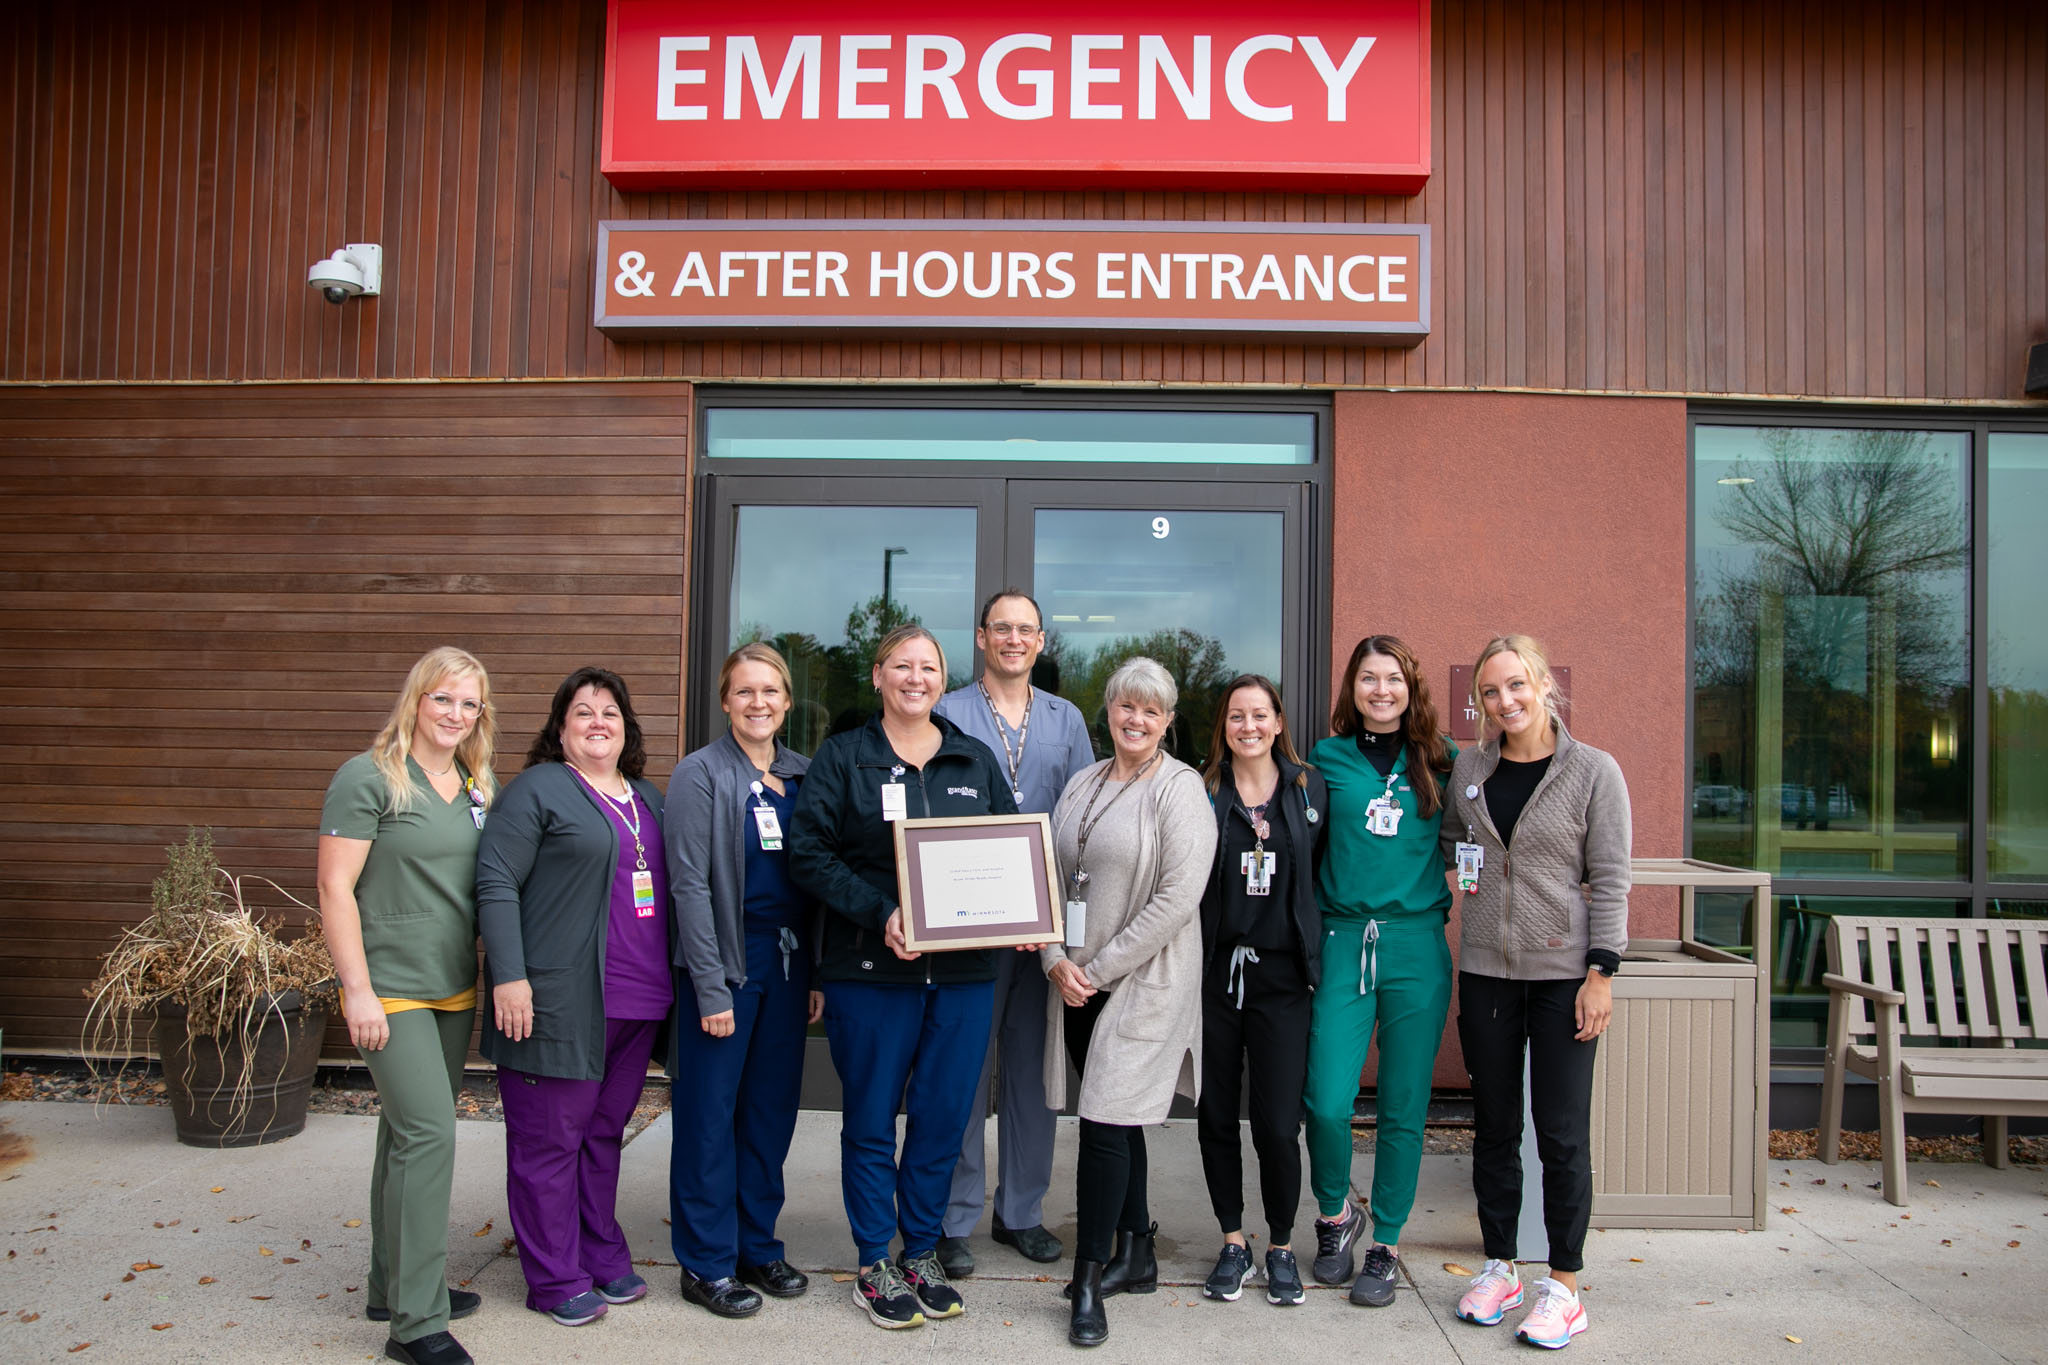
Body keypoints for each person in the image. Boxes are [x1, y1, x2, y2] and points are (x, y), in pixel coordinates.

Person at [787, 624, 1022, 1331]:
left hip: (963, 976)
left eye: (928, 667)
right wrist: (881, 908)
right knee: (869, 1119)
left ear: (940, 678)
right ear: (878, 674)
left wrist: (1017, 906)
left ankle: (919, 1248)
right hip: (870, 971)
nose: (915, 678)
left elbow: (1009, 850)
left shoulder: (971, 759)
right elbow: (809, 851)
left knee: (944, 1118)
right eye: (902, 666)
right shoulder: (845, 757)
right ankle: (871, 1259)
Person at [1442, 634, 1631, 1351]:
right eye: (1490, 691)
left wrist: (1601, 973)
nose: (1504, 701)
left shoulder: (1592, 772)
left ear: (1544, 684)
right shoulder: (1471, 767)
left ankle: (1565, 1283)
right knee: (1493, 1127)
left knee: (1559, 1132)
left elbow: (1611, 879)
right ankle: (1501, 1267)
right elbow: (1456, 840)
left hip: (1563, 979)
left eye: (1516, 685)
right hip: (1488, 970)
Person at [475, 667, 671, 1330]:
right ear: (560, 730)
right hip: (557, 1001)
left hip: (637, 1004)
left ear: (626, 727)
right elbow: (496, 879)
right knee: (548, 1141)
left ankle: (599, 1251)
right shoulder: (539, 789)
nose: (597, 721)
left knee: (602, 1136)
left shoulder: (646, 796)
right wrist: (508, 974)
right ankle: (554, 1276)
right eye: (582, 711)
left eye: (610, 711)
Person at [317, 647, 497, 1365]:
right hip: (388, 985)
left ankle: (392, 1282)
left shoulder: (477, 782)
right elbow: (335, 890)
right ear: (416, 699)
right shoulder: (367, 777)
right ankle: (416, 1323)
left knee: (403, 1133)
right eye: (443, 699)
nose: (455, 715)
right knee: (431, 1136)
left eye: (470, 704)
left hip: (453, 984)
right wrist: (354, 989)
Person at [1041, 657, 1217, 1349]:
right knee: (1120, 1115)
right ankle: (1139, 1249)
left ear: (1168, 720)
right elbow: (1050, 874)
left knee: (1104, 1120)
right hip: (1075, 980)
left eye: (1151, 710)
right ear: (1108, 710)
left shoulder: (1180, 789)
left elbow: (1179, 897)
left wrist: (1102, 966)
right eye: (1125, 706)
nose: (1136, 719)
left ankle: (1087, 1279)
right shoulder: (1082, 782)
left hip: (1144, 982)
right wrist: (1056, 956)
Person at [933, 588, 1096, 1276]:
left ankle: (1021, 1211)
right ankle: (953, 1215)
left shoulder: (1067, 717)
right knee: (963, 1071)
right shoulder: (947, 712)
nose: (1012, 638)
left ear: (1040, 641)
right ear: (980, 637)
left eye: (1024, 629)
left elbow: (1087, 813)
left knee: (1034, 1074)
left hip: (1043, 928)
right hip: (969, 918)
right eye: (1000, 627)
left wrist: (1071, 924)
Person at [663, 643, 822, 1318]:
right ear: (725, 700)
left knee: (768, 1114)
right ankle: (705, 1260)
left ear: (787, 701)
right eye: (745, 691)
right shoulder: (701, 774)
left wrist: (812, 969)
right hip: (725, 962)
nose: (759, 702)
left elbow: (813, 881)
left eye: (771, 691)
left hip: (787, 968)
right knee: (708, 1116)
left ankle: (757, 1243)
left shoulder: (803, 775)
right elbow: (690, 886)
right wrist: (710, 985)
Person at [1300, 636, 1457, 1308]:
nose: (1381, 689)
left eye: (1393, 678)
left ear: (1410, 686)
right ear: (1352, 686)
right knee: (1327, 1100)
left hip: (1416, 944)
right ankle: (1336, 1216)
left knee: (1402, 1105)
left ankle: (1386, 1240)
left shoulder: (1442, 759)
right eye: (1369, 678)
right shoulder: (1325, 758)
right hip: (1343, 938)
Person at [1195, 675, 1327, 1307]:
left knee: (1277, 1124)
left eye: (1259, 715)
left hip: (1282, 980)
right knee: (1216, 1114)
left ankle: (1278, 1243)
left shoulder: (1309, 790)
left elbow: (1323, 877)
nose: (1247, 726)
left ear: (1278, 722)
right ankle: (1231, 1242)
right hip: (1218, 975)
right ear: (1224, 726)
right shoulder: (1204, 791)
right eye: (1235, 716)